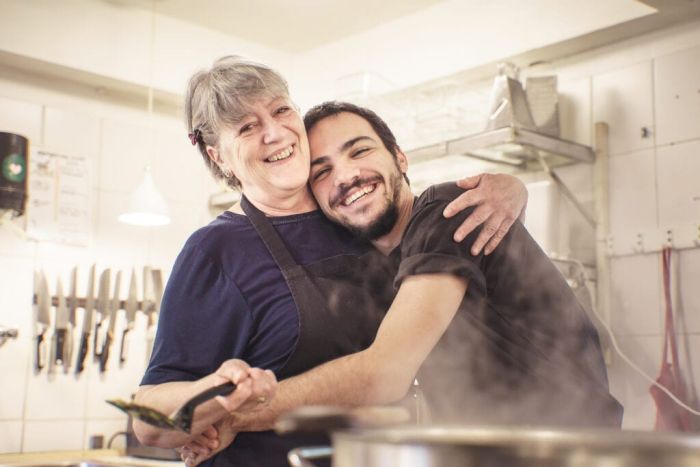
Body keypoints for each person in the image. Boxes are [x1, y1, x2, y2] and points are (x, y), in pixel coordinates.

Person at [133, 56, 529, 467]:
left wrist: (511, 187)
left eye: (281, 110)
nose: (274, 133)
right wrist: (216, 394)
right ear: (219, 157)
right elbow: (149, 420)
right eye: (247, 127)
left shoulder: (353, 213)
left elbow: (391, 368)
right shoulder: (214, 251)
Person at [182, 100, 623, 465]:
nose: (346, 176)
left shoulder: (446, 211)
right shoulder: (382, 267)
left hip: (567, 454)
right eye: (322, 171)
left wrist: (237, 418)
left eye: (359, 151)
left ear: (400, 158)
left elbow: (384, 374)